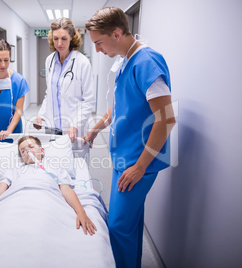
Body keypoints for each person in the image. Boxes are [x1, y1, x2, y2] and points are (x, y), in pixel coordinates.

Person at [83, 7, 176, 268]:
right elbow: (119, 106)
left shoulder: (146, 61)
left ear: (116, 33)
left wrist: (140, 166)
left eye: (99, 43)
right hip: (125, 156)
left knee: (118, 227)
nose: (98, 50)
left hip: (138, 160)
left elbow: (166, 119)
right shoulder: (126, 60)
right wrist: (96, 129)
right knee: (130, 223)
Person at [0, 135, 97, 236]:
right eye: (23, 150)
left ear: (42, 150)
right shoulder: (15, 170)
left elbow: (67, 191)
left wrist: (81, 213)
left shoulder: (55, 168)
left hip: (47, 201)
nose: (27, 151)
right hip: (16, 201)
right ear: (21, 157)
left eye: (31, 147)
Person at [34, 17, 95, 143]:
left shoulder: (82, 63)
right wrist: (41, 115)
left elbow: (89, 101)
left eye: (64, 38)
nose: (59, 43)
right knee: (53, 159)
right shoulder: (49, 60)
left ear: (72, 36)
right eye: (55, 39)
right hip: (52, 126)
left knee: (73, 161)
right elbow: (49, 93)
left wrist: (75, 124)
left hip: (72, 127)